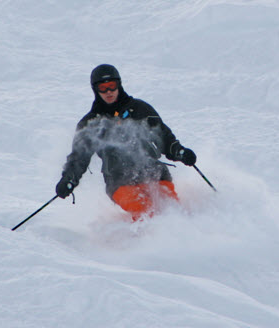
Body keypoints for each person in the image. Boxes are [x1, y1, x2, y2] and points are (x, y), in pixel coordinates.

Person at [55, 64, 196, 221]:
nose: (109, 92)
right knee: (145, 211)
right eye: (103, 88)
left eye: (112, 86)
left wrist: (180, 152)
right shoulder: (91, 123)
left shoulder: (140, 109)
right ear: (95, 89)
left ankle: (187, 238)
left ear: (119, 85)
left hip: (155, 175)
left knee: (173, 211)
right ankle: (150, 243)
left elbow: (164, 137)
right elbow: (79, 157)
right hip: (120, 183)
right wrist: (68, 180)